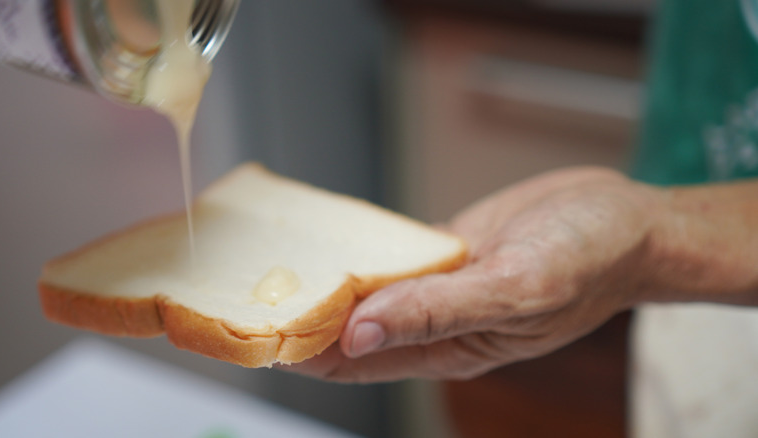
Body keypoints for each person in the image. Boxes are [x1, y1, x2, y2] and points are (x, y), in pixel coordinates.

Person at [283, 0, 758, 436]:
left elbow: (652, 236)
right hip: (684, 291)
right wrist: (657, 223)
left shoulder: (650, 238)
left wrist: (654, 235)